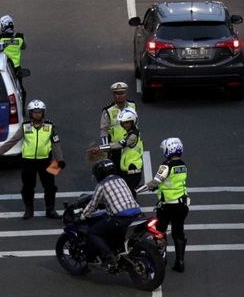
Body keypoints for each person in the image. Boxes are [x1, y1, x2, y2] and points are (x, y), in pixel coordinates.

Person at [0, 100, 65, 219]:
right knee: (28, 187)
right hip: (27, 162)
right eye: (34, 112)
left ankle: (50, 210)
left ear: (43, 113)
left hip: (47, 161)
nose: (37, 115)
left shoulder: (50, 126)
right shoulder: (25, 126)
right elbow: (13, 140)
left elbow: (56, 143)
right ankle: (29, 210)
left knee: (51, 187)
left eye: (39, 112)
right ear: (30, 113)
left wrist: (60, 160)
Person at [137, 138, 189, 272]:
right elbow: (171, 182)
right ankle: (180, 262)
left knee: (160, 230)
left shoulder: (166, 165)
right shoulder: (183, 165)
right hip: (181, 205)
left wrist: (137, 190)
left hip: (167, 206)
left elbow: (155, 182)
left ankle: (162, 258)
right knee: (178, 233)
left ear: (168, 150)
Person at [80, 159, 142, 270]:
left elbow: (93, 205)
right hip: (137, 214)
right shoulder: (121, 180)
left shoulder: (102, 185)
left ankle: (109, 256)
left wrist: (82, 216)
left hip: (120, 218)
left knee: (93, 232)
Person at [97, 108, 143, 197]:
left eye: (126, 122)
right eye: (122, 122)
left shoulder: (133, 135)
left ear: (132, 122)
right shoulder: (130, 133)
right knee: (128, 193)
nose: (123, 125)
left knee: (128, 194)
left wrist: (101, 148)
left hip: (132, 168)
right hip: (128, 168)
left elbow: (119, 145)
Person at [99, 82, 137, 164]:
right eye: (117, 93)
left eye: (122, 93)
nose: (120, 96)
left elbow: (136, 124)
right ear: (113, 95)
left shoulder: (132, 105)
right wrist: (106, 149)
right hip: (115, 147)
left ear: (126, 93)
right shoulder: (108, 111)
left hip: (130, 145)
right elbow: (104, 131)